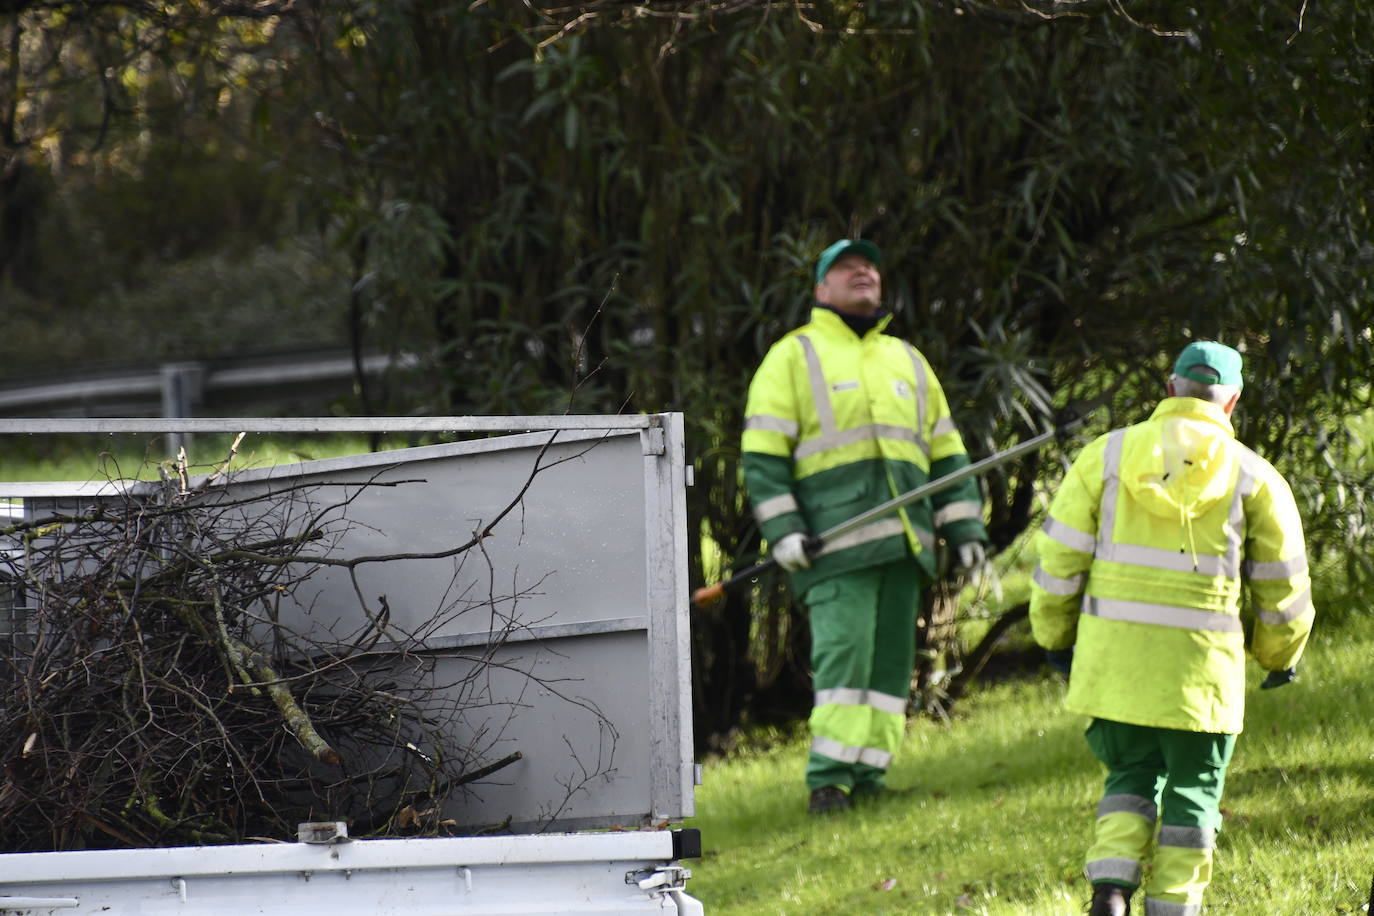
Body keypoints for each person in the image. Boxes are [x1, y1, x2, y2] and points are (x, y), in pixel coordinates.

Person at [1029, 341, 1314, 916]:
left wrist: (1055, 640)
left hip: (1115, 672)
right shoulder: (1255, 477)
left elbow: (1057, 568)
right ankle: (1174, 906)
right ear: (1231, 401)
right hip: (1201, 681)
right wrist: (1278, 657)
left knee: (1128, 777)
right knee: (1193, 795)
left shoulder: (1105, 458)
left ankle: (1109, 891)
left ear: (1170, 388)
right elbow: (1283, 592)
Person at [741, 238, 990, 814]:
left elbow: (946, 454)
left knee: (886, 673)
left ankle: (870, 780)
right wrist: (784, 532)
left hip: (904, 548)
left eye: (870, 265)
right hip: (833, 551)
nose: (864, 271)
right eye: (847, 266)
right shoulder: (791, 357)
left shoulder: (907, 360)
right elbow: (762, 456)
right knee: (845, 664)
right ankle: (829, 782)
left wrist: (967, 529)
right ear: (820, 290)